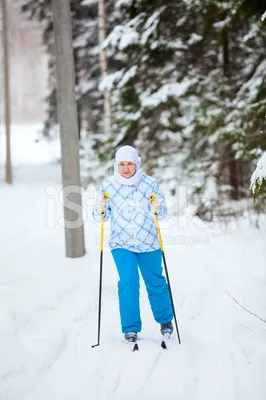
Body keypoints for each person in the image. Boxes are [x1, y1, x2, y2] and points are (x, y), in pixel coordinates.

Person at [92, 145, 173, 343]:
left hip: (148, 242)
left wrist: (158, 206)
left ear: (137, 164)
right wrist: (100, 207)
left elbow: (162, 215)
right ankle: (130, 328)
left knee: (155, 281)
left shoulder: (150, 184)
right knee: (128, 282)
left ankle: (165, 321)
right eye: (122, 164)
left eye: (130, 164)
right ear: (115, 165)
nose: (126, 168)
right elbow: (99, 217)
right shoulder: (108, 186)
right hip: (122, 243)